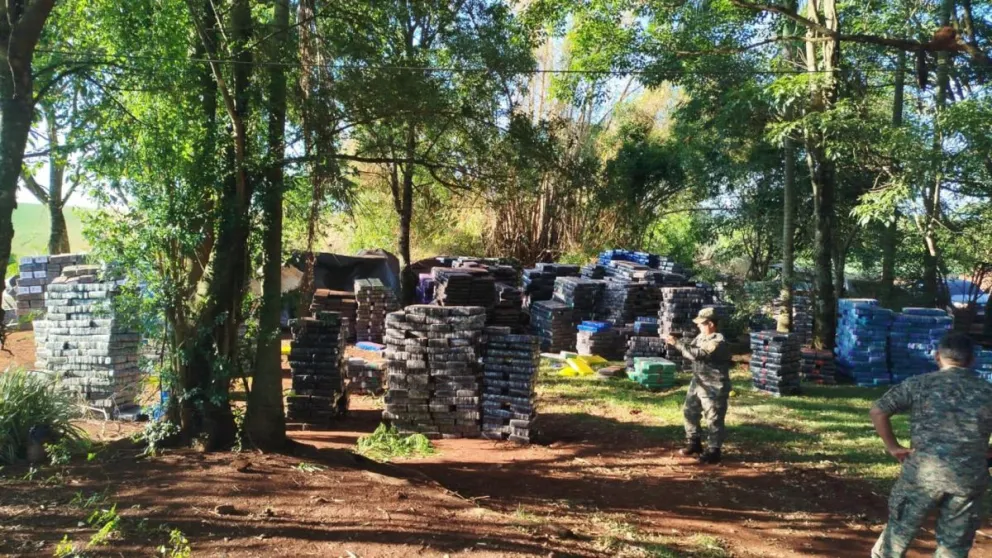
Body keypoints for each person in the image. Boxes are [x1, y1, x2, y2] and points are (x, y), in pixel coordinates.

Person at [870, 332, 992, 558]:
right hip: (968, 479)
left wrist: (893, 447)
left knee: (896, 538)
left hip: (922, 475)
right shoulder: (988, 391)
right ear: (972, 360)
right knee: (953, 548)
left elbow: (878, 410)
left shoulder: (919, 384)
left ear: (937, 356)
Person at [666, 307, 732, 464]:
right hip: (699, 381)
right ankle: (694, 443)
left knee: (714, 418)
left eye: (701, 323)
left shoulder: (718, 341)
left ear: (710, 324)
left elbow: (696, 355)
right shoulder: (701, 337)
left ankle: (714, 451)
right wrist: (680, 340)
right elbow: (693, 347)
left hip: (714, 385)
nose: (698, 326)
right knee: (690, 411)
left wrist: (677, 343)